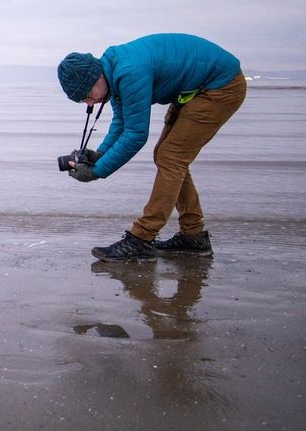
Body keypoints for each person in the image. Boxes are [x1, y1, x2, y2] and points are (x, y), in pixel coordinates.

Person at [56, 33, 246, 262]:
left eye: (86, 96)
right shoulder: (112, 72)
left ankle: (142, 239)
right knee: (166, 156)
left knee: (171, 157)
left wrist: (97, 171)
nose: (88, 103)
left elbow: (136, 135)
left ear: (96, 78)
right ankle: (194, 237)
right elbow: (122, 122)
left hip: (221, 86)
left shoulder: (129, 72)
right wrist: (100, 154)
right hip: (195, 90)